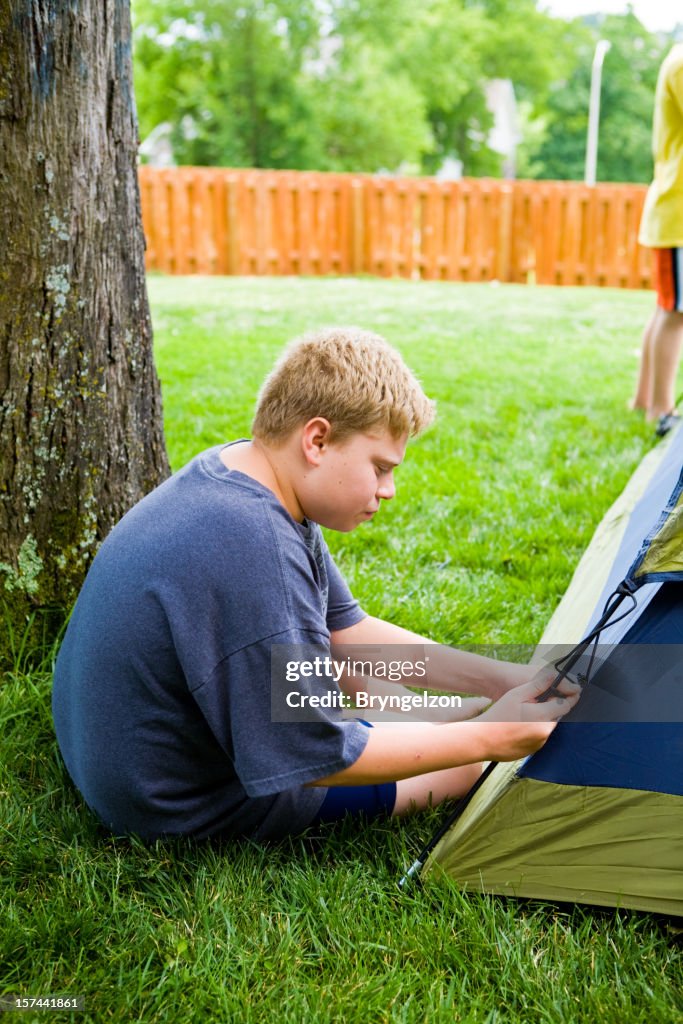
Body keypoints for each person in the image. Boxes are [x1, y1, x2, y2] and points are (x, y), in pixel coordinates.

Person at [52, 327, 579, 842]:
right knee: (463, 768)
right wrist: (486, 737)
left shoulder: (243, 472)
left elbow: (349, 634)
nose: (388, 490)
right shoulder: (256, 546)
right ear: (318, 439)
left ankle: (421, 719)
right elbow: (315, 758)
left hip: (117, 751)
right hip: (172, 797)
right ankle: (427, 726)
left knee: (348, 670)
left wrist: (498, 679)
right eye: (379, 467)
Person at [631, 44, 683, 437]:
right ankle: (662, 411)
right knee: (675, 314)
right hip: (677, 212)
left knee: (667, 309)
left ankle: (644, 400)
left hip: (673, 209)